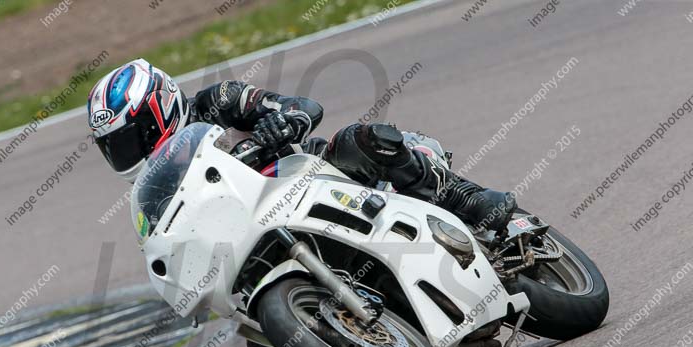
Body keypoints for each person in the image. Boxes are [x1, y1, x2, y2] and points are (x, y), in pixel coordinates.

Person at [88, 59, 516, 232]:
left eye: (132, 138)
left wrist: (281, 123)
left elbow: (304, 105)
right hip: (261, 229)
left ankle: (465, 198)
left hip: (314, 174)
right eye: (116, 148)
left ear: (158, 109)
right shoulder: (155, 187)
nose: (129, 153)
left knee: (360, 141)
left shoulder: (217, 102)